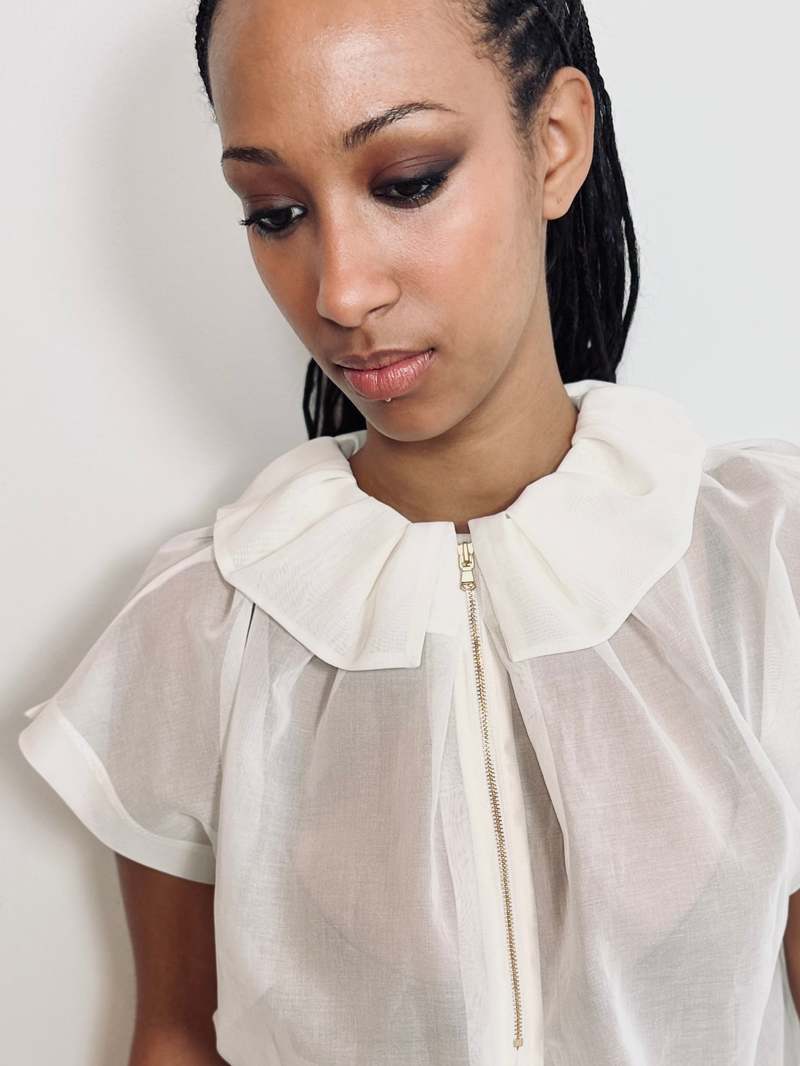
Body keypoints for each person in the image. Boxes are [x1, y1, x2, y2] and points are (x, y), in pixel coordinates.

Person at [17, 0, 800, 1063]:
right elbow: (174, 1038)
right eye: (276, 212)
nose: (340, 291)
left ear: (554, 141)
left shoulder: (763, 568)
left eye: (407, 181)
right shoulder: (202, 632)